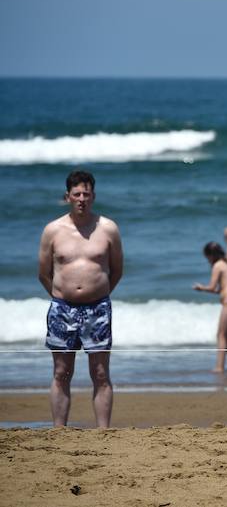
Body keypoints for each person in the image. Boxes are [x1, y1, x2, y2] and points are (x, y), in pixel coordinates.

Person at [38, 170, 124, 428]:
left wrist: (97, 295)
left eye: (86, 194)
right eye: (77, 194)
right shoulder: (53, 230)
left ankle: (103, 431)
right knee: (61, 373)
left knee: (100, 373)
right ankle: (59, 430)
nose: (82, 199)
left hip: (98, 309)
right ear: (68, 197)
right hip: (62, 309)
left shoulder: (108, 228)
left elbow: (117, 271)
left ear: (93, 196)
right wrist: (62, 297)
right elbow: (43, 274)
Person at [193, 242, 227, 373]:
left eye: (207, 257)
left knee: (221, 335)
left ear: (211, 255)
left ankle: (219, 367)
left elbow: (212, 287)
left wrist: (201, 288)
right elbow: (222, 289)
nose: (208, 260)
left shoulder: (218, 265)